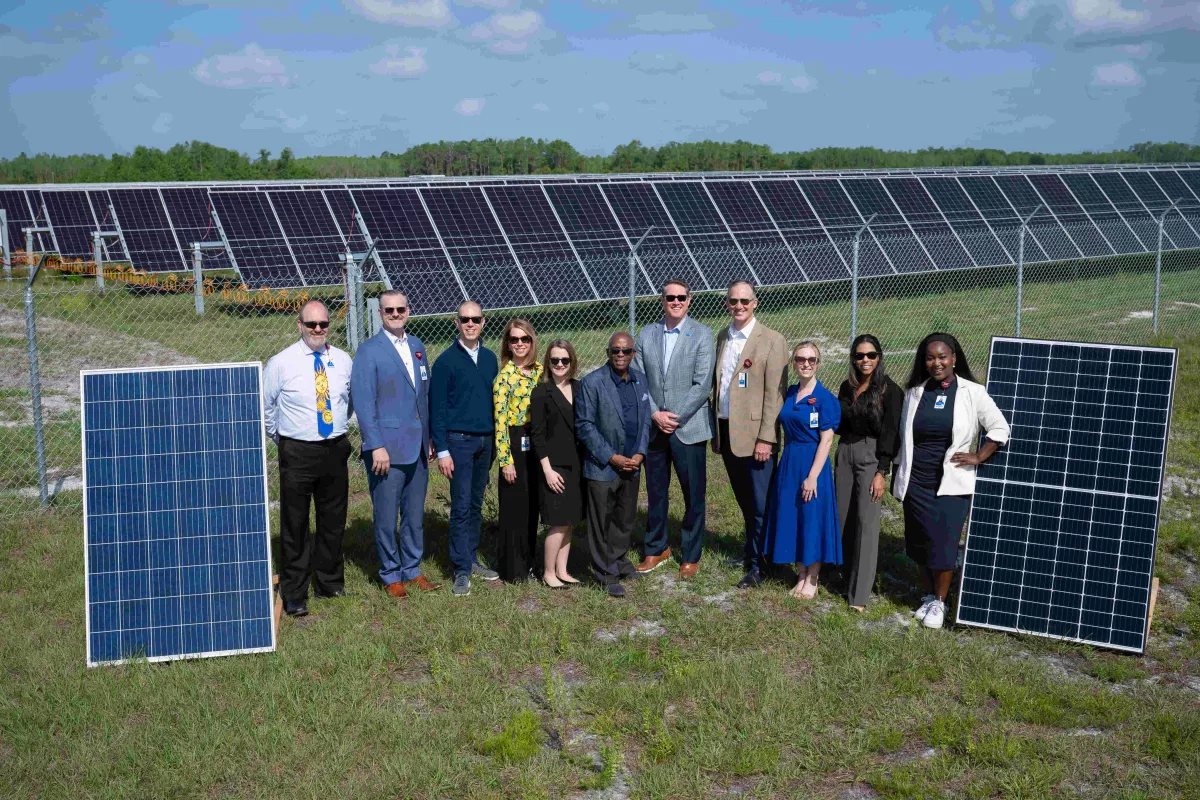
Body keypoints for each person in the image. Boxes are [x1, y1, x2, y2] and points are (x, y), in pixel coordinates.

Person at [893, 332, 1010, 630]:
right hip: (916, 479)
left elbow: (999, 427)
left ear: (954, 358)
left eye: (942, 357)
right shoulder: (915, 392)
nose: (936, 363)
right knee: (919, 541)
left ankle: (941, 603)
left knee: (943, 543)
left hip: (951, 482)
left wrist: (980, 455)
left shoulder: (973, 392)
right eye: (930, 358)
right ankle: (929, 595)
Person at [263, 300, 352, 617]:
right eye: (311, 324)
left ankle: (330, 582)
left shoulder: (342, 360)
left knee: (333, 520)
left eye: (323, 325)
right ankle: (295, 592)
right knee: (296, 524)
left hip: (334, 447)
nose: (318, 330)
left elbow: (348, 402)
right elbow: (267, 408)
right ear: (299, 325)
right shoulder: (281, 363)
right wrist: (284, 439)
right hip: (297, 450)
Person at [351, 290, 441, 600]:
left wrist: (429, 437)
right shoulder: (368, 351)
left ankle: (412, 570)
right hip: (386, 450)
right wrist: (375, 444)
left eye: (400, 309)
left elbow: (424, 396)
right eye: (389, 310)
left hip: (417, 446)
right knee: (387, 516)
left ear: (408, 310)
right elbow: (363, 403)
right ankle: (391, 574)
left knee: (414, 514)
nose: (395, 314)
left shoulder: (416, 346)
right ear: (380, 313)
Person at [633, 278, 715, 579]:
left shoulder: (703, 335)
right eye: (670, 298)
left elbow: (702, 383)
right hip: (655, 428)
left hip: (688, 427)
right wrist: (656, 414)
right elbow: (639, 378)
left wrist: (674, 416)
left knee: (693, 493)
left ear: (689, 300)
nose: (676, 302)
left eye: (681, 297)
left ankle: (691, 554)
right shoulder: (647, 334)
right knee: (656, 492)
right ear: (662, 301)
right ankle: (657, 549)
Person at [712, 280, 788, 589]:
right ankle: (750, 551)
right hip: (728, 429)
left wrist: (767, 438)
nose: (739, 306)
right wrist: (717, 431)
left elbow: (776, 394)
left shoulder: (771, 340)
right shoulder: (723, 336)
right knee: (745, 500)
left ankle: (761, 564)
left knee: (760, 504)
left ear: (755, 303)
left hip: (757, 436)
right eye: (733, 301)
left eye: (745, 301)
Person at [431, 301, 501, 597]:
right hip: (458, 443)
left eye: (476, 319)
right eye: (465, 319)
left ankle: (472, 559)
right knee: (460, 506)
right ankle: (460, 569)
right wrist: (443, 450)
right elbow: (438, 409)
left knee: (475, 503)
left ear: (483, 322)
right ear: (456, 323)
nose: (470, 324)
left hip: (486, 442)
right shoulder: (445, 361)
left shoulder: (489, 358)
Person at [576, 332, 652, 598]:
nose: (620, 355)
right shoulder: (592, 382)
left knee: (625, 516)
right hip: (603, 465)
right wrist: (611, 457)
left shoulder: (640, 380)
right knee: (601, 519)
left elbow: (645, 420)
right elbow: (585, 426)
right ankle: (604, 571)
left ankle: (619, 559)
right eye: (615, 351)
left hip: (633, 463)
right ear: (608, 353)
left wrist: (641, 453)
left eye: (626, 351)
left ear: (633, 354)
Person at [764, 342, 841, 599]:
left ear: (818, 363)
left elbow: (827, 440)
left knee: (812, 518)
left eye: (811, 359)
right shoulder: (789, 393)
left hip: (812, 464)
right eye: (800, 359)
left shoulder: (825, 399)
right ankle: (800, 574)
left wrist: (812, 476)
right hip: (790, 461)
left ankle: (813, 577)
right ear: (794, 362)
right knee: (794, 516)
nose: (806, 363)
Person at [836, 334, 904, 612]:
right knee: (842, 517)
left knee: (866, 522)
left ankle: (859, 594)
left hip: (871, 455)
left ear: (879, 357)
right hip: (844, 452)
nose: (865, 360)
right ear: (853, 358)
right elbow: (839, 423)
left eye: (871, 355)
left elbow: (890, 433)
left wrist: (881, 471)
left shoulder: (890, 390)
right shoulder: (846, 387)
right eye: (860, 355)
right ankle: (841, 575)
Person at [529, 339, 583, 588]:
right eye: (554, 360)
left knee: (570, 520)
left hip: (576, 464)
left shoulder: (579, 388)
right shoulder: (541, 392)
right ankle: (548, 572)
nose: (560, 364)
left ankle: (563, 569)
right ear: (548, 364)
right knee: (558, 522)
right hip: (554, 467)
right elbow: (537, 435)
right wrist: (547, 470)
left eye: (564, 360)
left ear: (571, 361)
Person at [493, 318, 544, 583]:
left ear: (532, 341)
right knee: (514, 508)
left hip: (537, 443)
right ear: (508, 344)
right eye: (515, 340)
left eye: (525, 339)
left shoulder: (540, 371)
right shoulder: (504, 377)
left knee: (532, 505)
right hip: (514, 442)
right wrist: (506, 461)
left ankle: (531, 561)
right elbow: (500, 423)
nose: (520, 344)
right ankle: (513, 569)